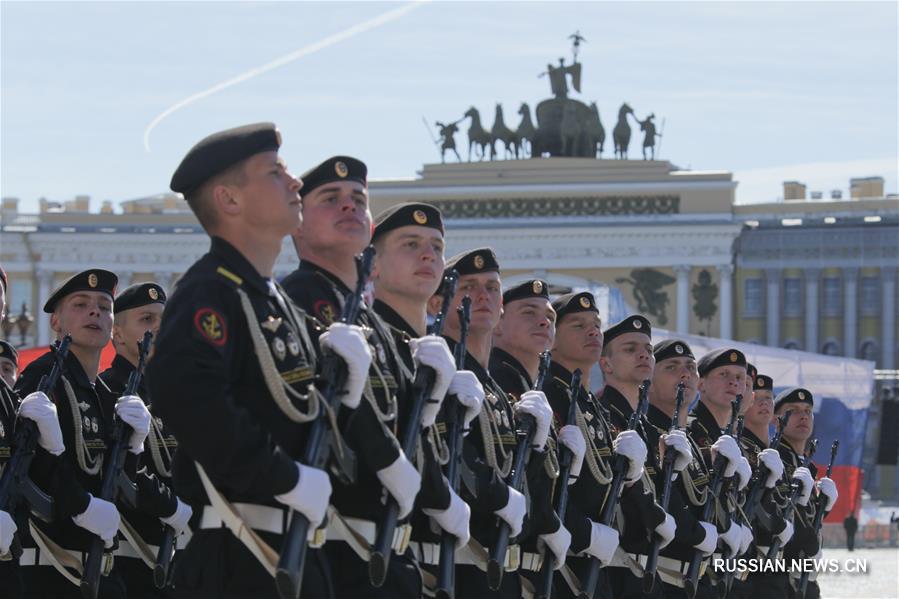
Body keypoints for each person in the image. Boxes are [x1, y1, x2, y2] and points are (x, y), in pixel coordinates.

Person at [149, 123, 372, 598]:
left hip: (296, 552)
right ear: (229, 199)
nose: (295, 182)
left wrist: (344, 399)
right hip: (239, 555)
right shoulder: (210, 291)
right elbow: (187, 396)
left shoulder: (273, 301)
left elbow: (298, 419)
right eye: (276, 172)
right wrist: (284, 477)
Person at [282, 158, 429, 597]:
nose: (348, 206)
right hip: (331, 547)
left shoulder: (373, 323)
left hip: (385, 553)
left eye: (358, 200)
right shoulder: (296, 298)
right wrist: (387, 458)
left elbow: (404, 425)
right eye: (331, 199)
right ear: (297, 225)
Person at [427, 248, 557, 598]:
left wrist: (538, 450)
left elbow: (521, 483)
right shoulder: (437, 369)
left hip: (497, 572)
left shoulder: (497, 392)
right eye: (468, 287)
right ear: (438, 304)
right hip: (452, 569)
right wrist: (499, 496)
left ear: (500, 309)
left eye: (492, 288)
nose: (482, 296)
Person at [15, 269, 153, 598]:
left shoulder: (103, 394)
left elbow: (113, 483)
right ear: (56, 321)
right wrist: (81, 505)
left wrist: (134, 448)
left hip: (99, 570)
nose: (95, 313)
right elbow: (23, 468)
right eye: (80, 304)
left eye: (104, 307)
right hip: (49, 570)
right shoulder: (42, 378)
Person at [368, 201, 483, 593]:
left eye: (437, 246)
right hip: (368, 558)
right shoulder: (368, 340)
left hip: (415, 568)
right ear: (373, 265)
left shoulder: (434, 355)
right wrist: (439, 495)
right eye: (410, 244)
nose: (428, 255)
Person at [546, 294, 663, 599]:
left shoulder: (591, 406)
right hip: (563, 567)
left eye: (596, 325)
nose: (592, 331)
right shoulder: (548, 394)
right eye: (579, 325)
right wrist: (586, 532)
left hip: (598, 569)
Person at [100, 282, 190, 597]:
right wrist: (172, 507)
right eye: (147, 319)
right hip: (130, 560)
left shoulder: (176, 395)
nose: (160, 328)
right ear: (118, 334)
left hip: (181, 557)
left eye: (165, 320)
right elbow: (119, 471)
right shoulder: (107, 391)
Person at [489, 280, 578, 593]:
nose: (544, 322)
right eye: (529, 312)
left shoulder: (532, 388)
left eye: (550, 317)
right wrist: (550, 522)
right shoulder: (496, 382)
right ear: (497, 323)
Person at [596, 316, 681, 598]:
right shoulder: (603, 416)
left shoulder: (647, 428)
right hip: (614, 572)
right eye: (630, 349)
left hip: (646, 574)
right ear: (606, 364)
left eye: (648, 349)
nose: (644, 354)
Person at [645, 339, 720, 598]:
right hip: (658, 580)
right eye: (671, 367)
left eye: (690, 367)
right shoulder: (645, 433)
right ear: (649, 377)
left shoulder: (692, 441)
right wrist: (697, 534)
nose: (684, 374)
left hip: (696, 581)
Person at [772, 388, 838, 599]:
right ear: (776, 420)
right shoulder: (774, 462)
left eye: (808, 411)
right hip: (778, 579)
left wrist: (823, 509)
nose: (803, 416)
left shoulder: (805, 466)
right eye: (793, 410)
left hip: (803, 580)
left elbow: (804, 520)